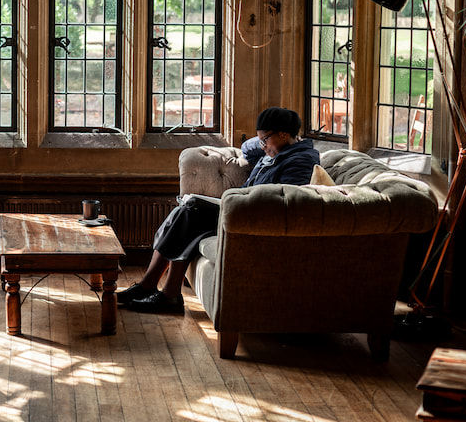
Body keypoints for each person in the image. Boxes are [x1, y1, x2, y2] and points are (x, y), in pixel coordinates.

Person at [118, 107, 320, 314]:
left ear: (284, 134)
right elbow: (247, 148)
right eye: (261, 141)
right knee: (184, 211)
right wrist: (265, 141)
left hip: (254, 216)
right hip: (239, 208)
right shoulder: (276, 148)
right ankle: (155, 288)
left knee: (189, 214)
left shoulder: (301, 160)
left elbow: (285, 200)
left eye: (265, 140)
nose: (262, 146)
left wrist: (270, 146)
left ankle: (163, 292)